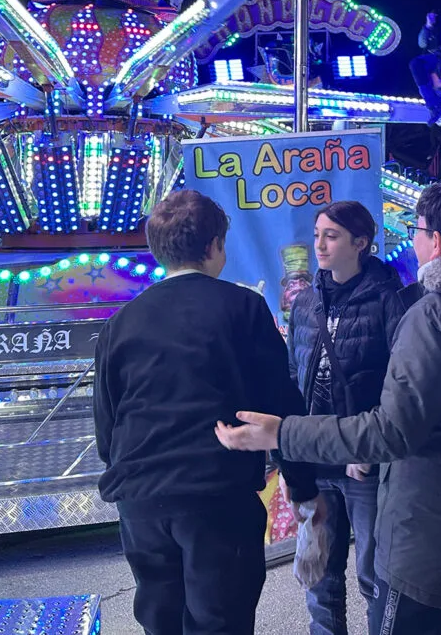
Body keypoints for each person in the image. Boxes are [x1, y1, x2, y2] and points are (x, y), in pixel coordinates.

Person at [217, 182, 441, 635]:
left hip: (428, 538)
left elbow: (393, 430)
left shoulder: (431, 315)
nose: (320, 245)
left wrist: (283, 433)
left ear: (437, 242)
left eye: (417, 229)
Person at [93, 190, 322, 635]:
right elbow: (278, 399)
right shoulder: (243, 307)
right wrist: (303, 486)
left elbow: (107, 418)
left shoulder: (121, 321)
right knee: (221, 621)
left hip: (140, 497)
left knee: (160, 620)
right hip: (215, 494)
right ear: (216, 245)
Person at [287, 201, 412, 635]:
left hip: (364, 463)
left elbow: (401, 380)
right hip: (315, 459)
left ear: (361, 243)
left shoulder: (387, 298)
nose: (320, 244)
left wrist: (367, 447)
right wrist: (292, 460)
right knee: (318, 577)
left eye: (332, 235)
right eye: (317, 233)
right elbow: (292, 379)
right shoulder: (304, 302)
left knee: (374, 575)